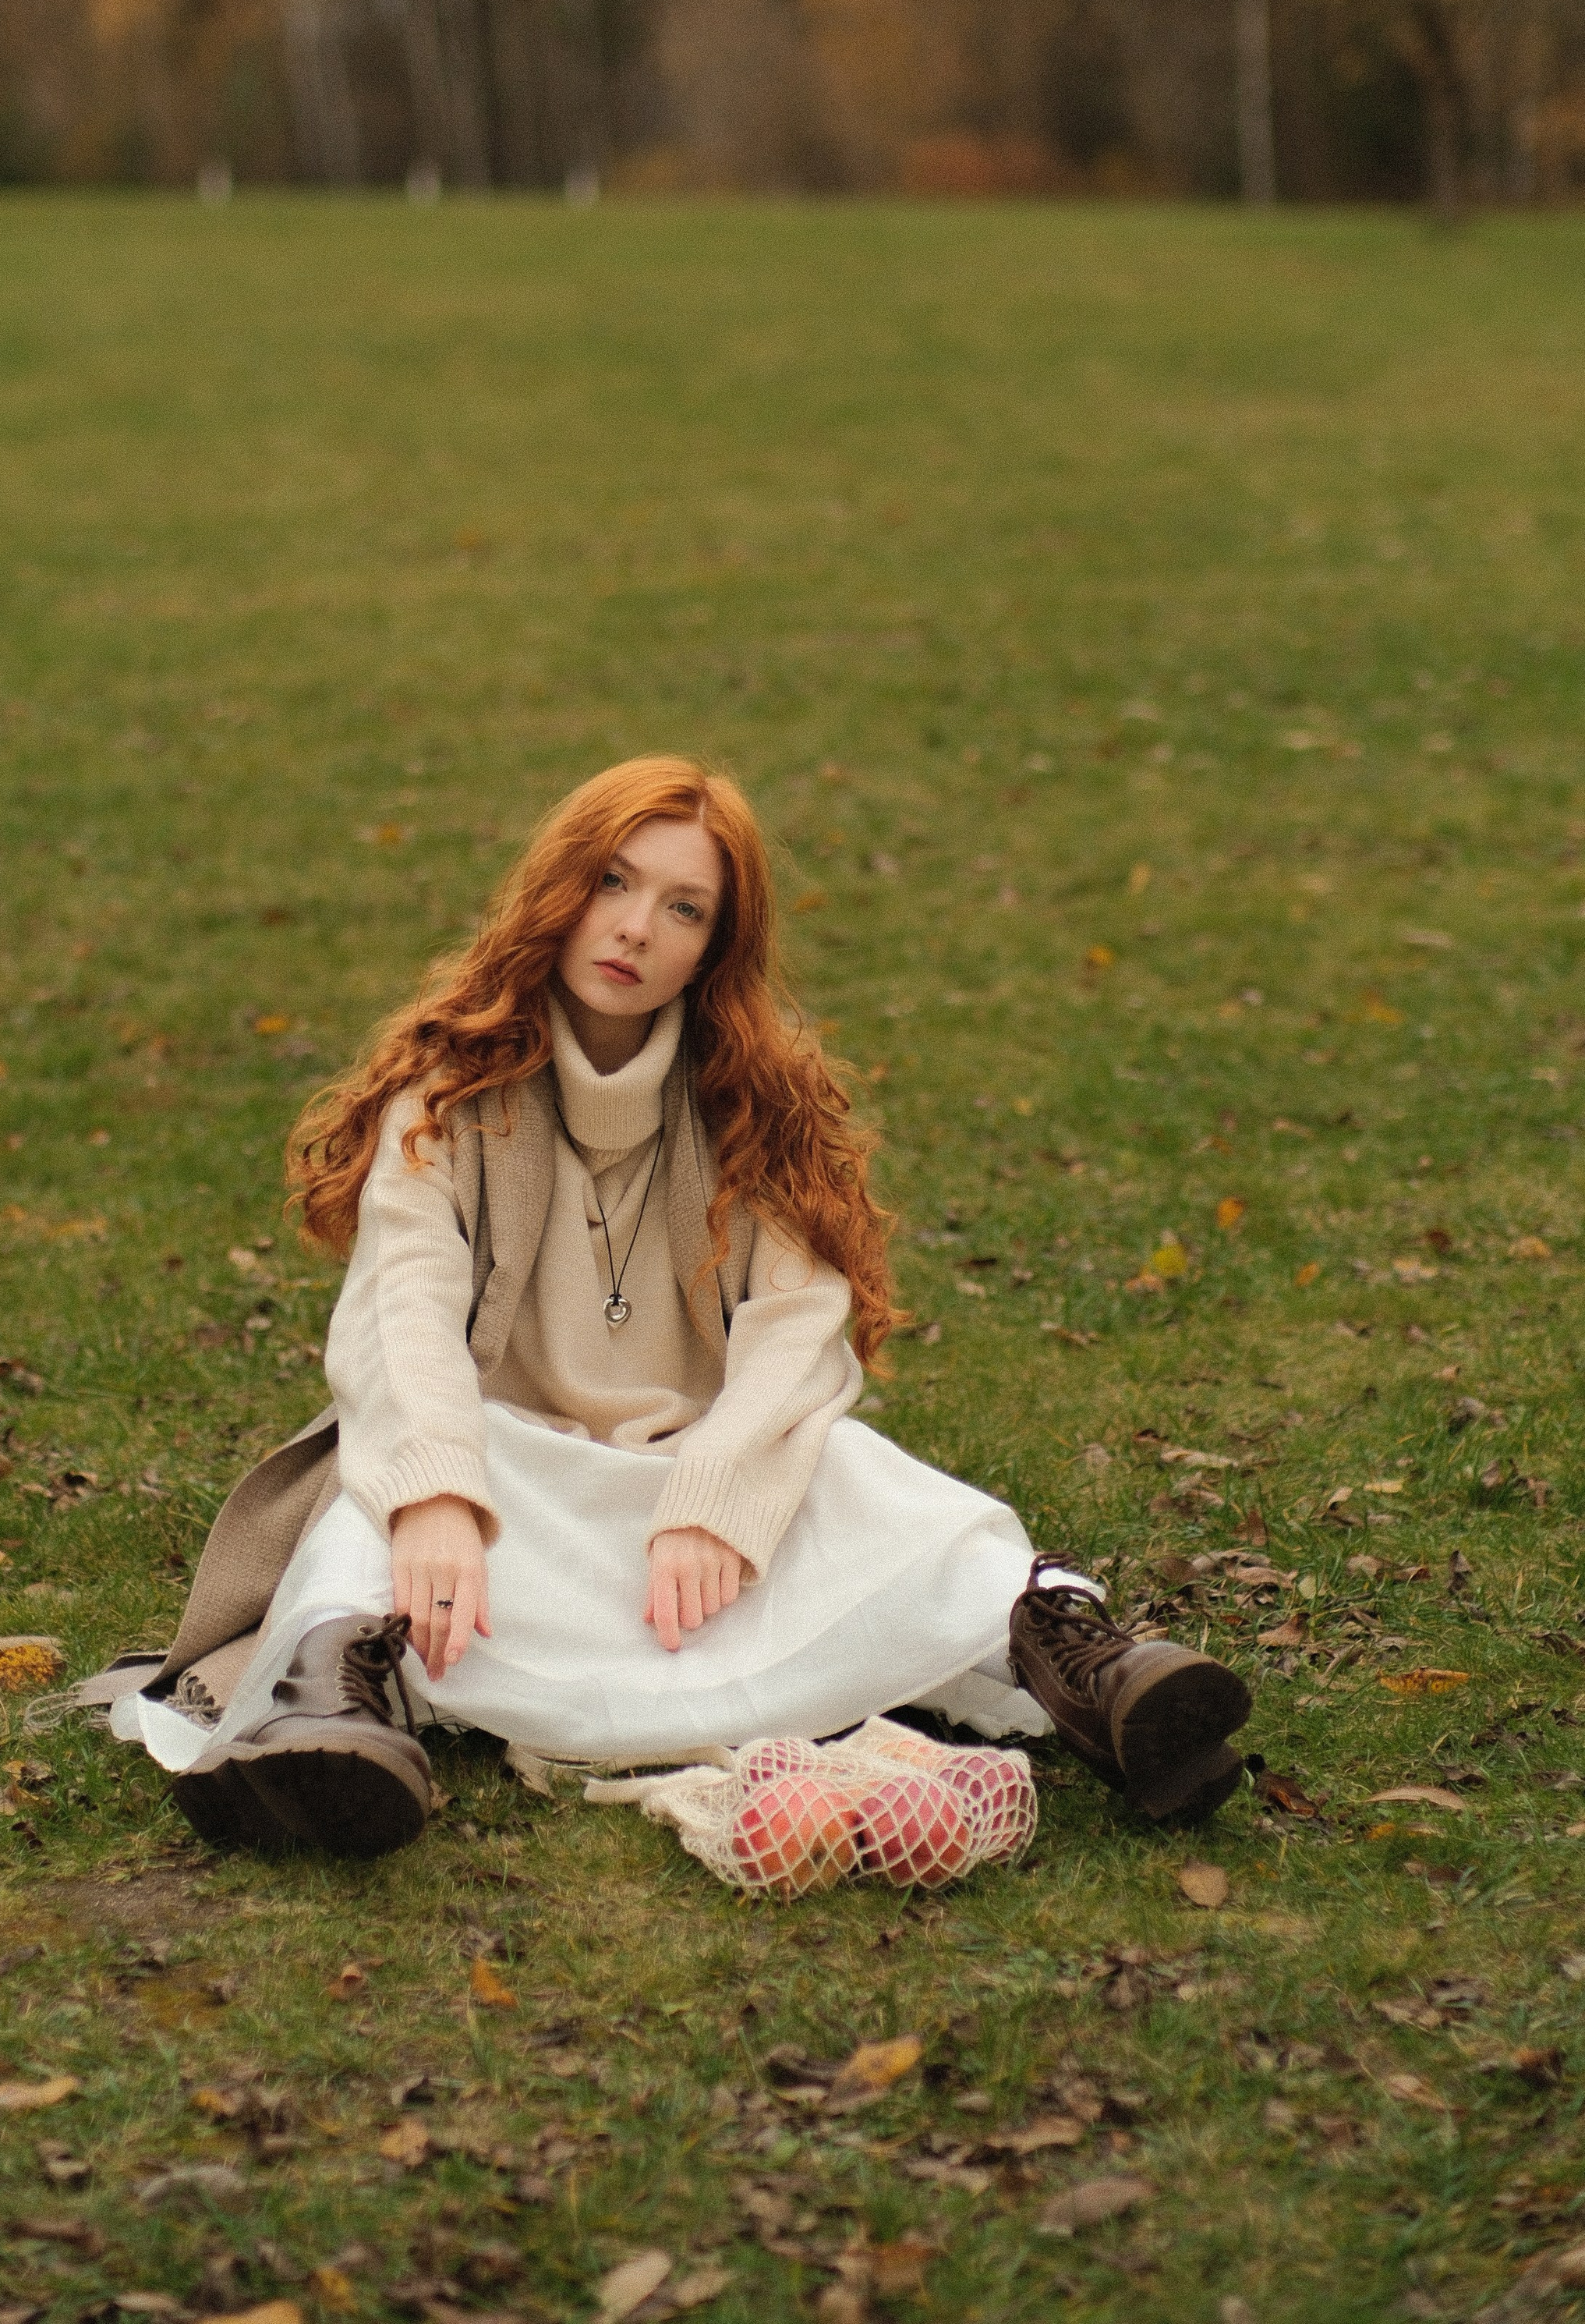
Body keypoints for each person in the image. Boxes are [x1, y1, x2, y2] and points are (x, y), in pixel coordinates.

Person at [88, 756, 1251, 1858]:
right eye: (613, 883)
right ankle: (327, 1716)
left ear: (714, 950)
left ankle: (1084, 1669)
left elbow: (798, 1333)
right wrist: (439, 1496)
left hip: (686, 1509)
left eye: (684, 909)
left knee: (861, 1479)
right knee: (369, 1501)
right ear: (562, 890)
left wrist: (715, 1498)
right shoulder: (447, 1100)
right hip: (517, 1485)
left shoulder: (754, 1104)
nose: (637, 928)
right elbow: (405, 1317)